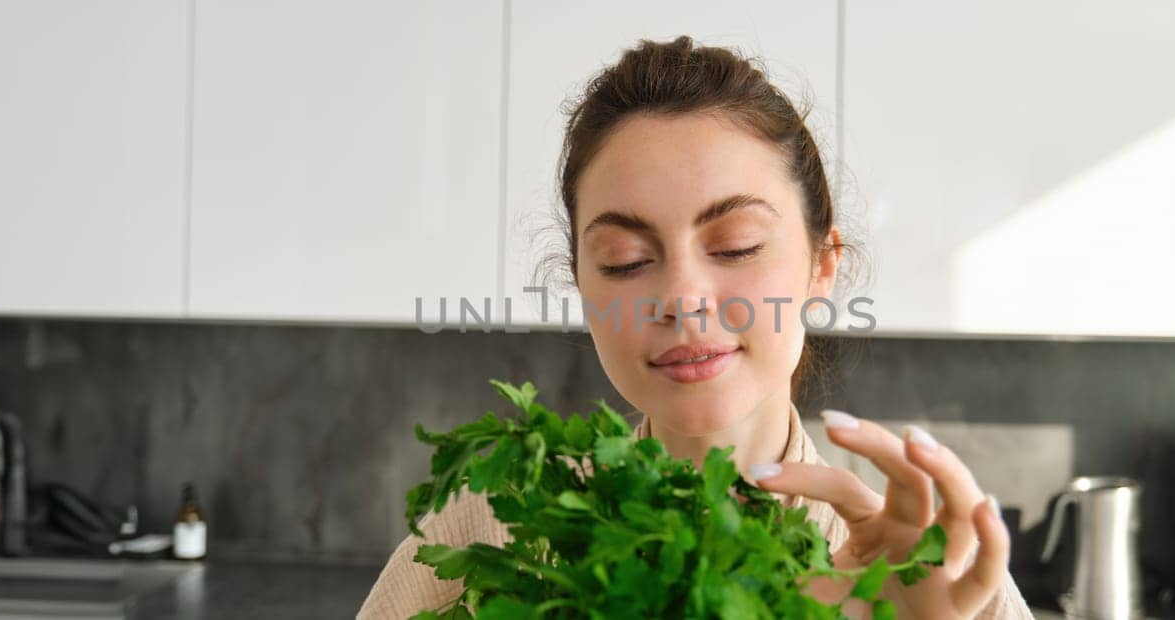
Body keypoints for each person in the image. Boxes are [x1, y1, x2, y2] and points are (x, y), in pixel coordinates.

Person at [360, 35, 1033, 620]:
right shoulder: (492, 530)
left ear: (822, 266)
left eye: (736, 246)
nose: (682, 301)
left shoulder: (925, 569)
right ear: (581, 284)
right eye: (625, 261)